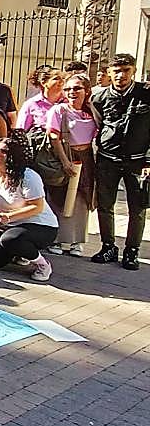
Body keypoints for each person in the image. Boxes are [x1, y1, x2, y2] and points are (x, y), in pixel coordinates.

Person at [0, 135, 58, 280]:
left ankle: (42, 264)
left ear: (12, 155)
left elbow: (37, 207)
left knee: (10, 239)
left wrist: (9, 217)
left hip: (39, 225)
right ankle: (19, 252)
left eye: (3, 151)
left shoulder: (28, 176)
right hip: (6, 225)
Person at [90, 53, 149, 270]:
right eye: (116, 71)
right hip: (108, 159)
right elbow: (99, 124)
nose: (121, 75)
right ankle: (108, 247)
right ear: (108, 73)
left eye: (126, 70)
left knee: (138, 208)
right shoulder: (99, 98)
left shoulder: (146, 94)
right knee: (105, 206)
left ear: (133, 71)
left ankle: (132, 251)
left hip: (138, 161)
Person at [45, 74, 96, 257]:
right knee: (60, 198)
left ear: (86, 90)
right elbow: (53, 136)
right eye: (68, 89)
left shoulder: (92, 111)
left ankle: (77, 242)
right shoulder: (59, 110)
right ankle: (57, 239)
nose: (71, 92)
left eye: (76, 88)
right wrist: (65, 160)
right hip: (66, 155)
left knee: (82, 200)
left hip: (87, 157)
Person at [16, 66, 64, 131]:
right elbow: (21, 130)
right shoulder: (31, 104)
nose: (62, 81)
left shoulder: (69, 102)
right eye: (56, 78)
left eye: (63, 78)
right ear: (44, 83)